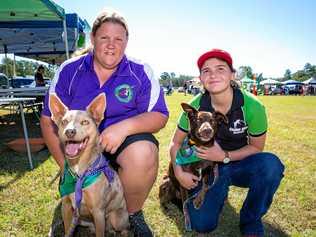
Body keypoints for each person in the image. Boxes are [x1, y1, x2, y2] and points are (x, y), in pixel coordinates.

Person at [40, 9, 169, 237]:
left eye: (118, 39)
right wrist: (66, 167)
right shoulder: (70, 70)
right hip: (79, 150)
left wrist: (122, 128)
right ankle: (69, 205)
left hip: (120, 146)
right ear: (93, 39)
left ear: (127, 42)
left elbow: (159, 114)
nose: (111, 44)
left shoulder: (140, 72)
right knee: (72, 200)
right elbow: (48, 118)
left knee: (144, 151)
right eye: (104, 38)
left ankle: (131, 214)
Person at [169, 49, 284, 236]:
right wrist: (178, 172)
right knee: (202, 224)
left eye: (220, 68)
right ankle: (217, 191)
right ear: (200, 78)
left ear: (232, 74)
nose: (213, 74)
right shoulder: (195, 106)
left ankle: (251, 220)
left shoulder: (253, 106)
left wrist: (224, 156)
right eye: (206, 71)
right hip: (208, 169)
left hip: (241, 163)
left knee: (270, 165)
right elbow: (175, 143)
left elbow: (256, 147)